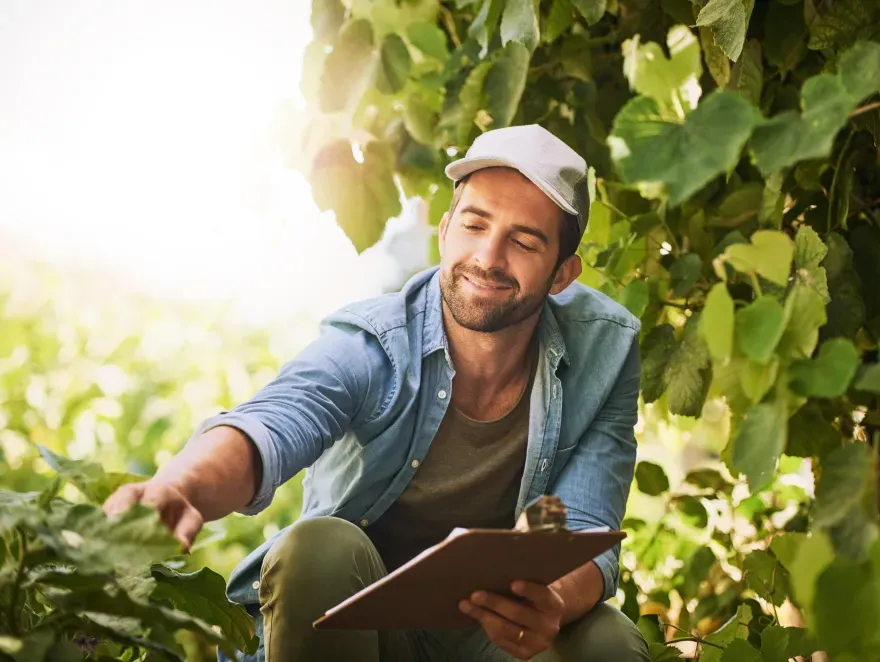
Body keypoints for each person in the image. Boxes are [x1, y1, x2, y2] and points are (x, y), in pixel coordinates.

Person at [104, 124, 650, 661]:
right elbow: (274, 422)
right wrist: (182, 486)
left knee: (607, 640)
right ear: (444, 231)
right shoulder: (378, 341)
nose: (487, 257)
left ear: (562, 274)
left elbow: (584, 531)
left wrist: (549, 602)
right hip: (356, 621)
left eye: (524, 242)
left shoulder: (606, 348)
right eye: (474, 225)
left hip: (490, 634)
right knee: (320, 546)